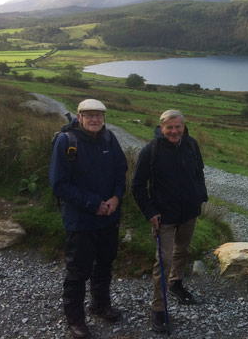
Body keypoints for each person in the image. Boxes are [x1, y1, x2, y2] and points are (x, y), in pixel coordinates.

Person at [49, 99, 128, 339]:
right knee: (78, 270)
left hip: (108, 217)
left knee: (105, 263)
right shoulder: (66, 142)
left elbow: (120, 170)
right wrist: (93, 205)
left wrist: (116, 198)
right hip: (80, 219)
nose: (95, 119)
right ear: (79, 116)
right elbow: (59, 184)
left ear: (104, 117)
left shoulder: (109, 139)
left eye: (99, 115)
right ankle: (75, 319)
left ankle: (100, 304)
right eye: (89, 115)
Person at [132, 109, 208, 332]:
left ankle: (175, 284)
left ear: (183, 127)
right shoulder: (151, 151)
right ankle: (158, 307)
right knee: (163, 261)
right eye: (169, 127)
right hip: (163, 216)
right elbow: (137, 186)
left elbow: (199, 172)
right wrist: (150, 211)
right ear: (161, 127)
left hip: (188, 212)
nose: (174, 131)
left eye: (178, 126)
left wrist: (200, 196)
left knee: (182, 251)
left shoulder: (191, 145)